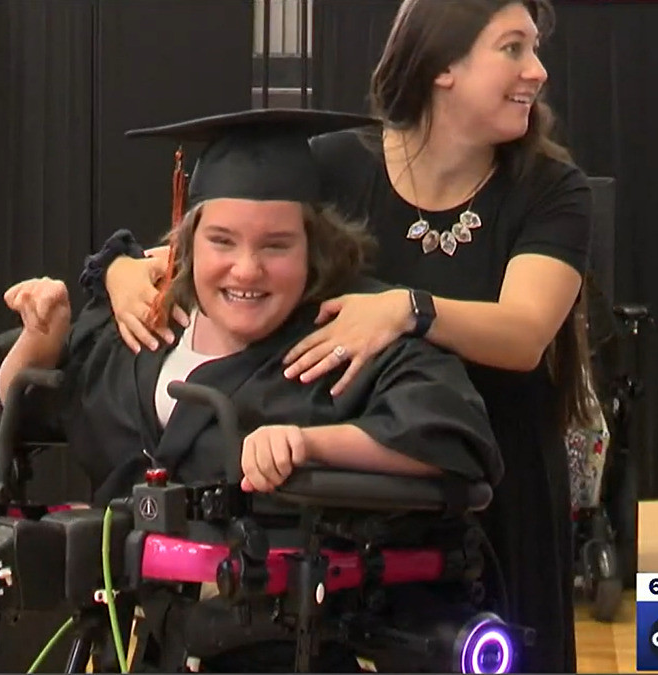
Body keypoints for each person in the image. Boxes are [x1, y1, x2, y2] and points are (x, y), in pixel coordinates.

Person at [86, 2, 596, 672]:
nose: (535, 71)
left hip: (497, 483)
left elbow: (524, 332)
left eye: (533, 49)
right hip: (358, 499)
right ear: (442, 65)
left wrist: (407, 310)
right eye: (512, 49)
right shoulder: (334, 167)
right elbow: (211, 252)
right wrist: (121, 271)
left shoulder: (549, 189)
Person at [0, 107, 503, 518]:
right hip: (120, 624)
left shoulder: (348, 334)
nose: (246, 270)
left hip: (278, 625)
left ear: (314, 248)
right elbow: (27, 406)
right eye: (222, 241)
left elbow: (452, 436)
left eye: (276, 246)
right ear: (189, 242)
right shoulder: (139, 325)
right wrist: (44, 336)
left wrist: (308, 445)